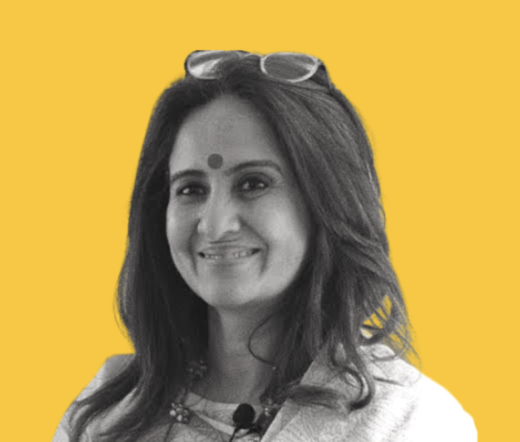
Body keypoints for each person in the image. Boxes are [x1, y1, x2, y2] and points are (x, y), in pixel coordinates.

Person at [53, 50, 477, 442]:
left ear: (326, 203)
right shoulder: (108, 412)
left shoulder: (407, 420)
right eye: (191, 189)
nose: (215, 225)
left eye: (253, 183)